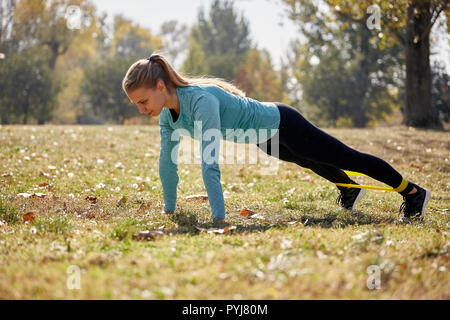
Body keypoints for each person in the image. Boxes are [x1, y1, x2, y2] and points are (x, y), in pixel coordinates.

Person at [122, 53, 431, 226]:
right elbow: (167, 161)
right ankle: (349, 190)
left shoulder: (201, 102)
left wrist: (219, 218)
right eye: (137, 104)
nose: (142, 110)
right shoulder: (166, 115)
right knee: (310, 161)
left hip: (283, 123)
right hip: (260, 138)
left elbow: (210, 162)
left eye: (143, 101)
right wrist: (169, 207)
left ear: (161, 87)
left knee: (344, 156)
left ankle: (413, 192)